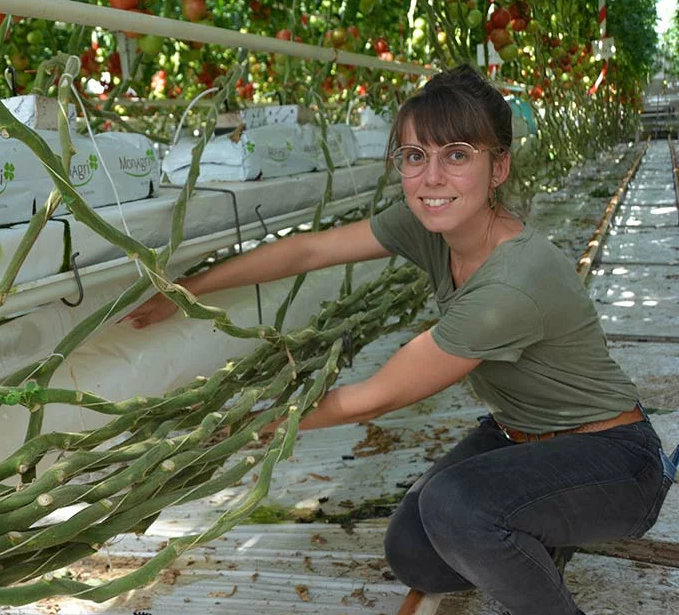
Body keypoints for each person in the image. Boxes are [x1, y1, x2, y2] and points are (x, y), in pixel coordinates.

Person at [124, 64, 672, 615]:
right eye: (415, 156)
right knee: (415, 553)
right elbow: (308, 251)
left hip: (613, 459)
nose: (432, 177)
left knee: (456, 509)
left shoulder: (512, 283)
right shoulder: (430, 224)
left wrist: (257, 425)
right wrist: (186, 290)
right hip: (517, 437)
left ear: (498, 166)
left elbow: (379, 394)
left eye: (457, 155)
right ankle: (540, 527)